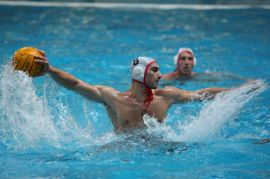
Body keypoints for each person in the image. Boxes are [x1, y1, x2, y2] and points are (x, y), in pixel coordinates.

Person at [35, 51, 231, 133]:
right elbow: (76, 84)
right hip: (122, 155)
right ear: (140, 73)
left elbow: (201, 94)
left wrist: (235, 92)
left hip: (158, 151)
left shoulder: (167, 95)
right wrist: (51, 70)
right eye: (155, 71)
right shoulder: (113, 98)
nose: (160, 75)